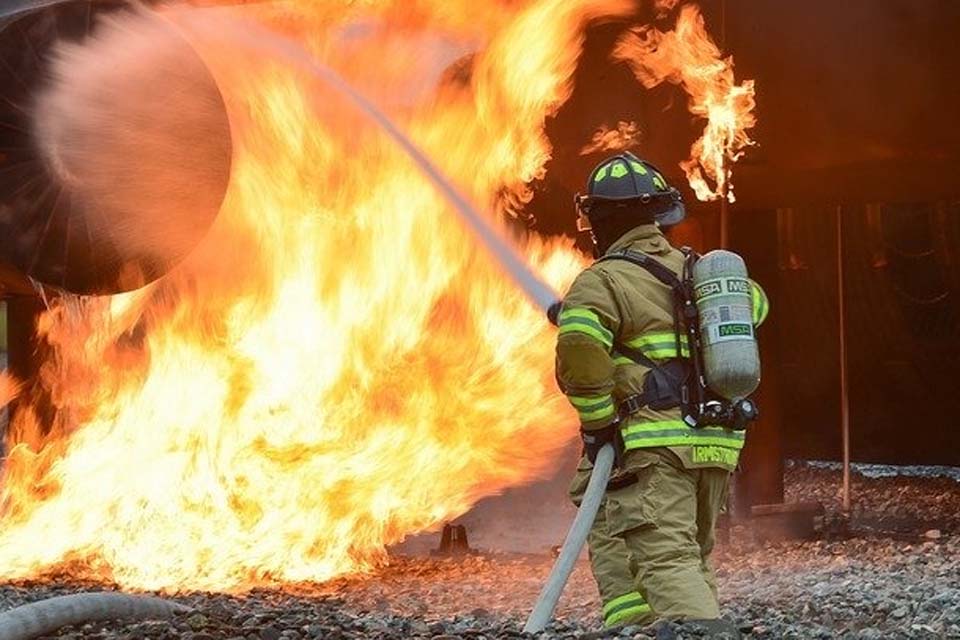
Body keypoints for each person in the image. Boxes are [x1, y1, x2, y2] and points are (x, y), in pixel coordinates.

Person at [554, 152, 767, 633]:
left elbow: (581, 353)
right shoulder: (699, 273)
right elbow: (755, 307)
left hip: (655, 447)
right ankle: (638, 626)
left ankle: (697, 629)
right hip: (714, 442)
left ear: (597, 221)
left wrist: (598, 423)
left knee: (668, 559)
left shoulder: (602, 280)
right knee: (678, 551)